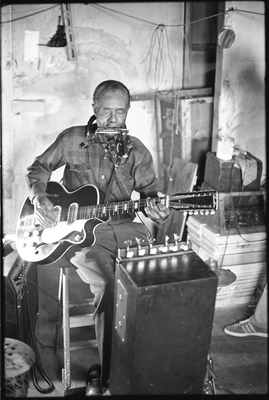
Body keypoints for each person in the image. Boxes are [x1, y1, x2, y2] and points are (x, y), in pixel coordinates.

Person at [25, 80, 171, 395]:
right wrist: (39, 198)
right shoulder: (72, 139)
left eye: (120, 111)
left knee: (152, 285)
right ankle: (111, 379)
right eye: (107, 110)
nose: (114, 118)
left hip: (129, 227)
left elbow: (150, 194)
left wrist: (158, 207)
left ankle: (148, 366)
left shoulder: (137, 150)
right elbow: (37, 169)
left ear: (128, 112)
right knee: (109, 286)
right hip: (82, 234)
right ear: (94, 108)